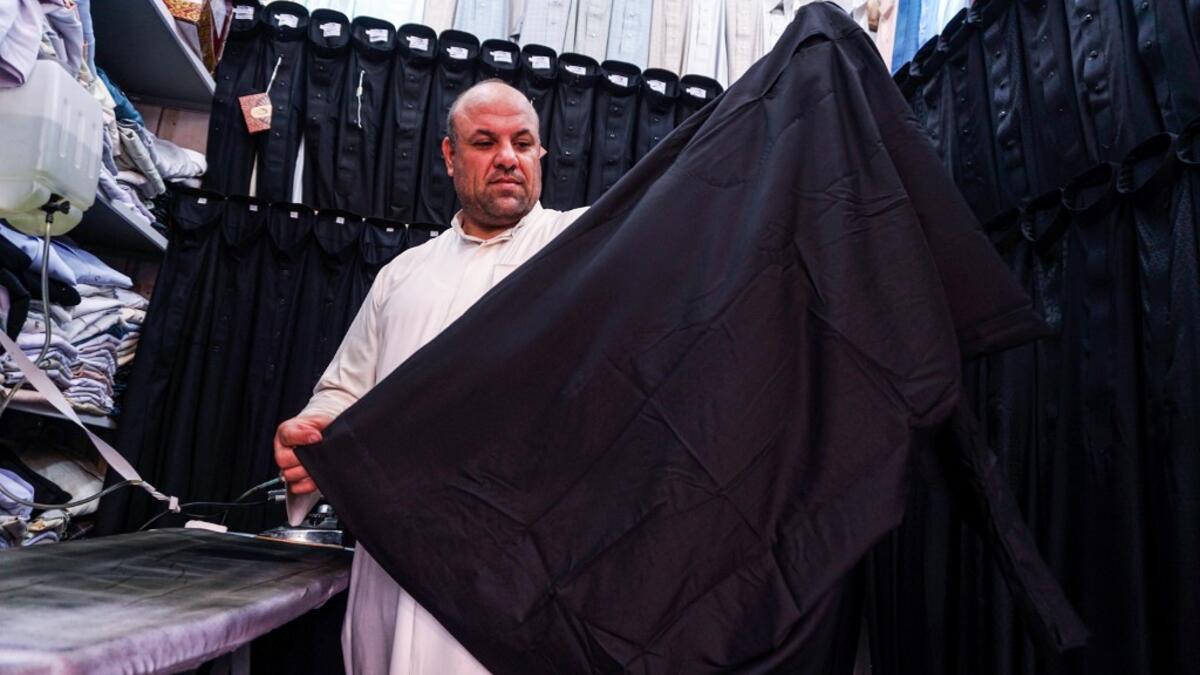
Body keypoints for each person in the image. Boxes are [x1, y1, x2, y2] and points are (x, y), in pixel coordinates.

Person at [273, 80, 587, 674]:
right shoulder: (403, 275)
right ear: (448, 156)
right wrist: (312, 433)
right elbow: (347, 389)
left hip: (519, 567)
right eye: (484, 142)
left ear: (541, 155)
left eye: (523, 143)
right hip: (393, 562)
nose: (507, 158)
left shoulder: (581, 248)